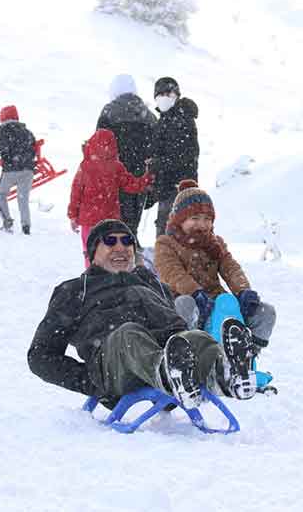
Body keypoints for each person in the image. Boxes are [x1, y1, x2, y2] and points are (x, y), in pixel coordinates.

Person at [28, 219, 259, 410]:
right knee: (129, 334)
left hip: (169, 352)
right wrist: (91, 381)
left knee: (193, 338)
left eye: (127, 241)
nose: (121, 247)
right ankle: (168, 375)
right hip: (115, 365)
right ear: (92, 252)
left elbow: (174, 323)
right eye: (110, 241)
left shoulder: (149, 281)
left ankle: (224, 374)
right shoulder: (75, 290)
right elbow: (39, 356)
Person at [154, 180, 275, 352]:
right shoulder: (166, 244)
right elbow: (172, 273)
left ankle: (246, 356)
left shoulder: (215, 243)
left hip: (215, 302)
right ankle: (188, 355)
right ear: (180, 220)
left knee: (266, 312)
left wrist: (243, 291)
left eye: (207, 219)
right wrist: (195, 293)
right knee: (185, 304)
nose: (202, 224)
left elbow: (230, 268)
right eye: (194, 218)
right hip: (183, 298)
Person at [68, 128, 153, 267]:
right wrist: (147, 178)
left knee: (89, 250)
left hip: (88, 219)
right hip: (110, 218)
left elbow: (76, 192)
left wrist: (73, 215)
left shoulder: (85, 166)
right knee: (111, 250)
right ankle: (109, 276)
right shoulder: (116, 167)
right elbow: (132, 185)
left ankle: (91, 276)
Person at [96, 74, 157, 237]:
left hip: (116, 174)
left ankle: (122, 251)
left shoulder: (109, 111)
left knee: (117, 222)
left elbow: (99, 144)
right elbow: (157, 148)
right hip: (141, 176)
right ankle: (132, 246)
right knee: (132, 223)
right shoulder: (149, 115)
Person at [150, 76, 199, 236]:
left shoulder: (181, 119)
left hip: (178, 187)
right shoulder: (165, 119)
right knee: (168, 235)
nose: (164, 99)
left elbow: (181, 156)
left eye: (169, 95)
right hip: (168, 187)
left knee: (171, 237)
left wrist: (156, 163)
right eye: (160, 96)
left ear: (176, 96)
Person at [0, 105, 36, 235]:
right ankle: (26, 226)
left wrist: (9, 161)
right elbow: (33, 146)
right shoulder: (27, 131)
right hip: (28, 169)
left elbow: (4, 150)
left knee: (0, 194)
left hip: (11, 169)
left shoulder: (1, 130)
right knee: (22, 198)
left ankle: (7, 222)